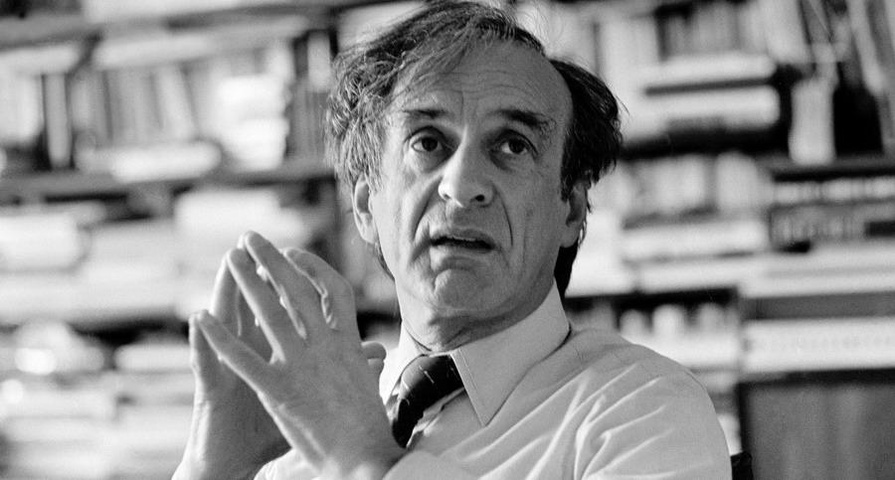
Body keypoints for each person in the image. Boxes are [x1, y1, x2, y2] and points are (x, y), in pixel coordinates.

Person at [173, 1, 732, 479]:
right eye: (427, 143)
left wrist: (366, 459)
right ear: (365, 206)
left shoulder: (644, 412)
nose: (462, 187)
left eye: (513, 145)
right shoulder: (294, 439)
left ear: (572, 208)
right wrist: (214, 467)